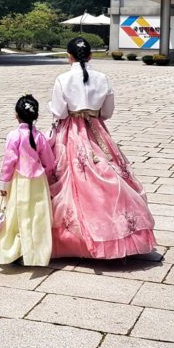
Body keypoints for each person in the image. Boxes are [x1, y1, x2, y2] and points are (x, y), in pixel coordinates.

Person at [48, 36, 157, 260]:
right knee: (110, 170)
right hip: (96, 130)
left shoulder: (63, 79)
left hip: (71, 132)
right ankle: (118, 233)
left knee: (71, 177)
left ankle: (71, 238)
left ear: (69, 56)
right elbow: (107, 112)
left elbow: (58, 113)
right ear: (90, 55)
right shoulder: (102, 78)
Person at [0, 95, 55, 266]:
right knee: (35, 216)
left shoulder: (14, 136)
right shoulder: (39, 137)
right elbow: (49, 162)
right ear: (36, 116)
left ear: (16, 114)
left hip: (16, 181)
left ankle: (12, 250)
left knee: (14, 214)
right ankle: (33, 252)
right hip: (37, 182)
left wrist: (3, 185)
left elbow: (8, 163)